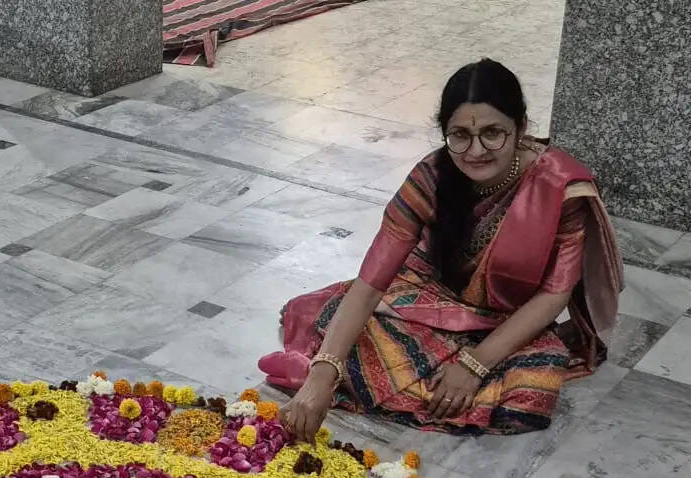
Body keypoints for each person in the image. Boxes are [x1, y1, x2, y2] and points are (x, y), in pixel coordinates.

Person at [259, 59, 623, 440]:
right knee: (344, 317)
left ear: (522, 128)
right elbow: (370, 283)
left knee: (529, 391)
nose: (476, 150)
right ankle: (333, 375)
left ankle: (369, 381)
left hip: (504, 322)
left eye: (493, 133)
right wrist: (322, 377)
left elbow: (553, 296)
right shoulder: (431, 175)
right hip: (426, 299)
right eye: (460, 135)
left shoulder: (560, 189)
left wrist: (473, 366)